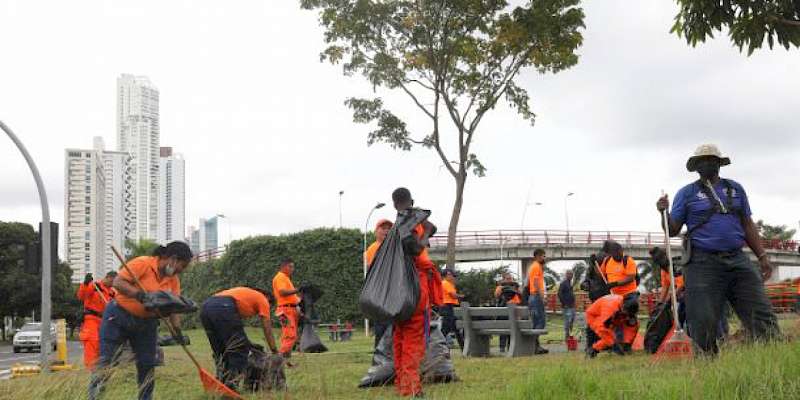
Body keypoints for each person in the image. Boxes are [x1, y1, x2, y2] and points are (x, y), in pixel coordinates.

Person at [657, 144, 780, 355]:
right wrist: (663, 213)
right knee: (702, 319)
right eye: (702, 161)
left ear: (719, 163)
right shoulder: (687, 193)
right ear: (696, 166)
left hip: (738, 259)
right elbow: (673, 229)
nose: (707, 164)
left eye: (711, 159)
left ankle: (773, 356)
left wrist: (762, 256)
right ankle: (706, 364)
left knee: (761, 311)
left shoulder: (735, 189)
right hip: (702, 263)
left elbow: (747, 224)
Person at [89, 241, 193, 400]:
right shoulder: (142, 263)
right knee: (107, 361)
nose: (182, 270)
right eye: (182, 266)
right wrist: (141, 295)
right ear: (173, 259)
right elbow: (118, 282)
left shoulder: (173, 280)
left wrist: (177, 331)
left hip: (147, 323)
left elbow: (174, 307)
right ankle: (94, 397)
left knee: (147, 365)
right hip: (118, 316)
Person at [391, 187, 442, 397]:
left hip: (396, 295)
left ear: (394, 204)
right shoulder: (411, 224)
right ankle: (412, 390)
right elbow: (415, 248)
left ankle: (403, 387)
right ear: (411, 200)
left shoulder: (395, 227)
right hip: (414, 292)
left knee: (400, 342)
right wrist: (426, 229)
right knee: (412, 342)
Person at [200, 286, 278, 391]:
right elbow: (267, 328)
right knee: (239, 348)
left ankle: (221, 382)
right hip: (224, 307)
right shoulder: (262, 299)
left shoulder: (244, 295)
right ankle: (231, 384)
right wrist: (274, 350)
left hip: (206, 307)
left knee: (221, 350)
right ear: (268, 298)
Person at [77, 271, 116, 369]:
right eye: (112, 281)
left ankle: (103, 370)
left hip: (105, 321)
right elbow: (81, 296)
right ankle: (92, 371)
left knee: (105, 346)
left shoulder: (113, 293)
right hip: (92, 319)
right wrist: (85, 283)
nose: (113, 284)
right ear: (107, 277)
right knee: (92, 344)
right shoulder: (94, 286)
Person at [364, 219, 393, 347]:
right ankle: (380, 354)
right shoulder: (374, 248)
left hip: (391, 292)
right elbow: (375, 269)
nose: (386, 231)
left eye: (389, 228)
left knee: (391, 325)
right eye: (383, 228)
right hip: (380, 292)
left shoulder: (393, 247)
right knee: (382, 325)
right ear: (376, 231)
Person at [585, 294, 639, 358]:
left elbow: (632, 327)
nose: (628, 316)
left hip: (614, 315)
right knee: (608, 338)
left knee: (632, 325)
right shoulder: (610, 308)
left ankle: (620, 347)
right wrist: (614, 345)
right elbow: (603, 329)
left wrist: (627, 343)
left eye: (629, 314)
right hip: (595, 316)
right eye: (626, 312)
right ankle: (593, 350)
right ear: (623, 306)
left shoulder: (629, 308)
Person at [272, 258, 302, 359]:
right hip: (286, 310)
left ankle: (286, 360)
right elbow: (282, 292)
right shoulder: (280, 277)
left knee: (288, 336)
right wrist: (297, 290)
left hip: (289, 309)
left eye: (293, 267)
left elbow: (292, 297)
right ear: (284, 266)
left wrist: (300, 300)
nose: (292, 269)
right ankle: (279, 359)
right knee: (290, 335)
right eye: (290, 266)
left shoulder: (286, 278)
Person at [649, 247, 686, 327]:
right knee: (678, 318)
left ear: (665, 256)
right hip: (681, 296)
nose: (660, 263)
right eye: (657, 261)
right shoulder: (663, 270)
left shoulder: (676, 264)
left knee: (683, 316)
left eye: (661, 259)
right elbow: (665, 288)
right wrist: (659, 304)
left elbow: (681, 285)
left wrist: (669, 301)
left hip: (690, 292)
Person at [526, 249, 549, 354]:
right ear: (537, 256)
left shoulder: (536, 266)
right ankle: (533, 345)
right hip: (536, 297)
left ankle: (536, 346)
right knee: (540, 322)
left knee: (536, 322)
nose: (544, 258)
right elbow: (535, 283)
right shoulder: (536, 267)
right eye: (542, 256)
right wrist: (542, 297)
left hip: (534, 297)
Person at [495, 272, 522, 353]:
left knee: (510, 329)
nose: (509, 280)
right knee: (504, 328)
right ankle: (502, 347)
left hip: (511, 311)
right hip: (505, 311)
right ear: (504, 279)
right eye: (507, 279)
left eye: (510, 278)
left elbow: (520, 295)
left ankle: (509, 346)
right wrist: (501, 287)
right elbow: (496, 295)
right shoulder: (500, 287)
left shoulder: (516, 287)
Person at [440, 269, 464, 349]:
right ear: (446, 275)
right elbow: (453, 295)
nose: (453, 277)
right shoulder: (446, 283)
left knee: (456, 328)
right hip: (447, 306)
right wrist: (462, 296)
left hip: (449, 307)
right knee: (446, 328)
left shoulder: (449, 284)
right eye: (451, 275)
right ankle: (438, 345)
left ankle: (463, 347)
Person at [558, 270, 576, 341]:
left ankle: (570, 335)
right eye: (569, 274)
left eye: (571, 274)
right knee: (567, 321)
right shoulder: (563, 283)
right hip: (566, 306)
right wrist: (564, 303)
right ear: (566, 275)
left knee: (571, 321)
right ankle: (566, 336)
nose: (570, 276)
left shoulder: (570, 283)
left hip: (572, 306)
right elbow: (559, 294)